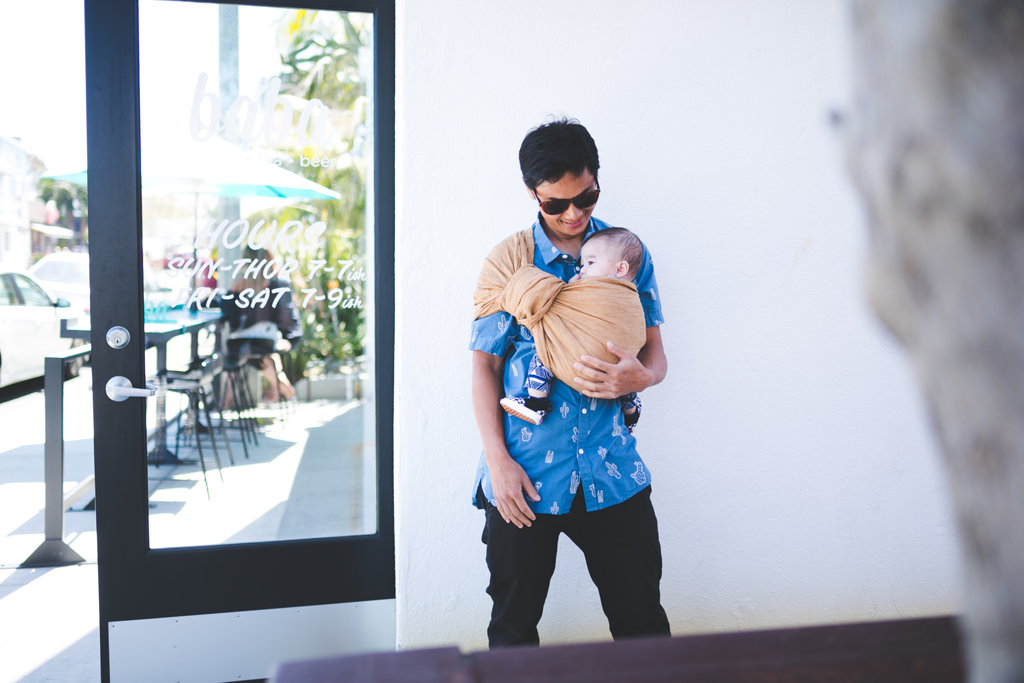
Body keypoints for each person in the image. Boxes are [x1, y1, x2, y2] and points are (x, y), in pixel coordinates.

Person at [471, 118, 670, 648]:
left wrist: (643, 376)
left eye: (586, 197)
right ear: (532, 193)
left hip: (611, 469)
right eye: (555, 204)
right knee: (513, 634)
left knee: (644, 628)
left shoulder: (626, 253)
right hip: (525, 474)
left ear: (596, 179)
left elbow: (655, 353)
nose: (573, 214)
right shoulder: (509, 264)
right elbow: (484, 367)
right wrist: (497, 462)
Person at [499, 227, 645, 431]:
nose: (582, 270)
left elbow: (564, 304)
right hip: (615, 359)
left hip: (593, 354)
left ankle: (536, 403)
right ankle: (631, 412)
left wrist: (569, 288)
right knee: (623, 376)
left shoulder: (610, 289)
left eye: (590, 263)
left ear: (620, 269)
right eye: (582, 264)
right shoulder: (632, 294)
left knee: (545, 352)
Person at [219, 246, 301, 402]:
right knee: (262, 354)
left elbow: (229, 315)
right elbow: (286, 315)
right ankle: (280, 385)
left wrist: (232, 291)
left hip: (247, 339)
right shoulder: (278, 282)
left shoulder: (241, 282)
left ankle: (227, 400)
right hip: (269, 337)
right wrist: (288, 337)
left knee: (240, 350)